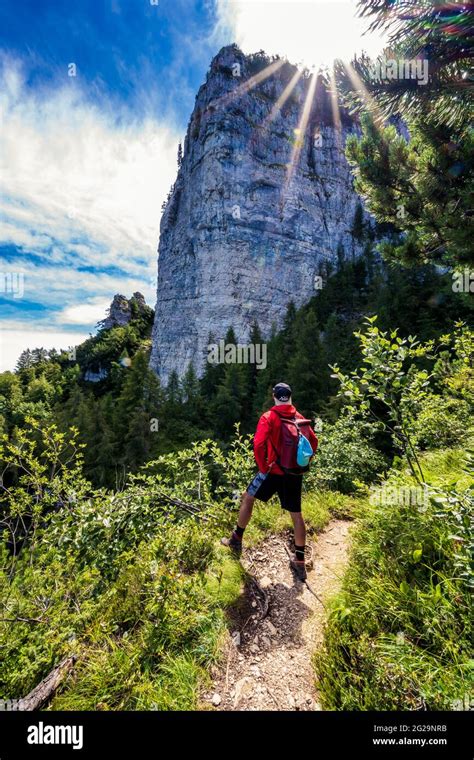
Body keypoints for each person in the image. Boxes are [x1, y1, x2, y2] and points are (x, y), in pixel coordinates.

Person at [221, 382, 318, 580]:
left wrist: (264, 467)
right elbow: (313, 443)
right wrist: (298, 464)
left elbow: (258, 444)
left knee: (248, 497)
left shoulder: (269, 417)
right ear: (290, 396)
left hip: (272, 470)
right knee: (296, 514)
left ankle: (236, 540)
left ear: (274, 396)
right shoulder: (299, 418)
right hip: (293, 473)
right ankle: (300, 562)